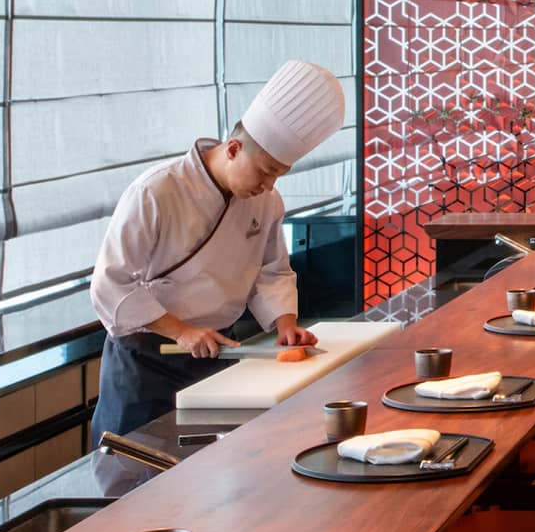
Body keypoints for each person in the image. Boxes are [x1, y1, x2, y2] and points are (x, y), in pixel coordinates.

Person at [89, 59, 345, 446]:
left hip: (214, 356)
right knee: (134, 480)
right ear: (234, 149)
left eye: (279, 174)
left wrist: (284, 323)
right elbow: (111, 284)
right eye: (264, 170)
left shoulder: (267, 202)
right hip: (147, 360)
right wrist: (183, 332)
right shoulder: (155, 192)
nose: (269, 184)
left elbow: (271, 271)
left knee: (208, 481)